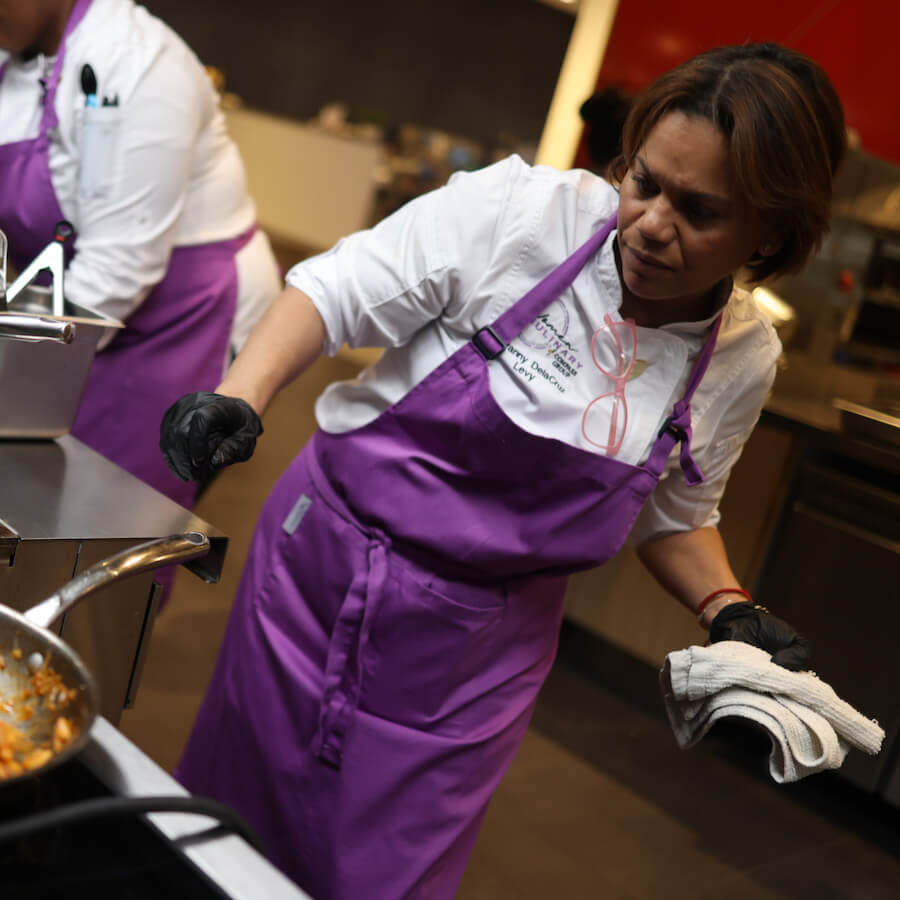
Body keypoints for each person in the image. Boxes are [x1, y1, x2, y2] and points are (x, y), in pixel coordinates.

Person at [159, 43, 846, 899]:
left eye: (699, 210)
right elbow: (334, 293)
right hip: (322, 572)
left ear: (771, 232)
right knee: (230, 820)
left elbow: (678, 513)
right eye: (644, 183)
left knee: (388, 874)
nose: (652, 224)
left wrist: (730, 609)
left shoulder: (741, 356)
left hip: (474, 658)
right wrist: (241, 396)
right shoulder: (524, 215)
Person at [0, 0, 281, 516]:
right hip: (75, 307)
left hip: (184, 319)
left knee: (102, 518)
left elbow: (121, 262)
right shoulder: (11, 54)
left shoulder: (139, 62)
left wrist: (15, 370)